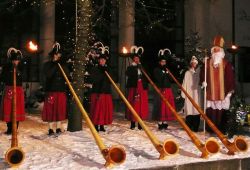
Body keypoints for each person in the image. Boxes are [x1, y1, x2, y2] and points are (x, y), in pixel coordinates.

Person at [200, 35, 235, 132]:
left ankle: (220, 129)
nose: (216, 52)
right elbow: (203, 73)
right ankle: (210, 128)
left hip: (222, 93)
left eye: (217, 50)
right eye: (214, 50)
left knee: (220, 111)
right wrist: (203, 81)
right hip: (211, 92)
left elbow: (230, 78)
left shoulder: (226, 64)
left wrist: (229, 91)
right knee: (211, 110)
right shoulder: (207, 63)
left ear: (221, 52)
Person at [42, 42, 68, 135]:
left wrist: (60, 65)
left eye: (59, 54)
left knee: (59, 110)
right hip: (51, 91)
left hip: (60, 91)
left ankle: (58, 128)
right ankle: (50, 129)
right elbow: (49, 75)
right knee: (50, 110)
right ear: (53, 54)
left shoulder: (62, 65)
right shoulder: (48, 65)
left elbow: (67, 76)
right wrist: (55, 64)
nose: (58, 55)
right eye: (57, 54)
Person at [0, 48, 25, 135]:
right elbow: (2, 78)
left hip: (18, 89)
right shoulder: (6, 67)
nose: (16, 62)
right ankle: (9, 128)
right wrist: (10, 70)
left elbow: (23, 77)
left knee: (17, 108)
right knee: (8, 108)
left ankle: (15, 128)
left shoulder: (21, 67)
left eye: (17, 60)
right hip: (9, 89)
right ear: (11, 60)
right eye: (14, 60)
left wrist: (17, 71)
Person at [89, 46, 113, 132]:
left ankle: (102, 125)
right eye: (101, 60)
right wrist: (102, 73)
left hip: (106, 92)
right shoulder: (95, 69)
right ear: (99, 61)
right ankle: (96, 125)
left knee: (103, 110)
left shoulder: (108, 69)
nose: (102, 61)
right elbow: (95, 79)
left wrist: (106, 71)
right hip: (97, 92)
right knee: (97, 109)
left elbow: (112, 79)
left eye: (104, 60)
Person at [125, 46, 149, 130]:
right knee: (134, 104)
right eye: (135, 58)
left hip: (141, 87)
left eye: (137, 58)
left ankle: (140, 123)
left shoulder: (142, 66)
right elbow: (128, 74)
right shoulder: (130, 67)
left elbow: (146, 76)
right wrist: (135, 67)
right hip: (134, 87)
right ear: (133, 59)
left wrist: (140, 67)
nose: (136, 59)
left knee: (141, 105)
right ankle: (132, 123)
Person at [152, 49, 176, 130]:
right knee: (161, 105)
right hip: (161, 89)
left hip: (168, 88)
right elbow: (158, 79)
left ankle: (165, 121)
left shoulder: (167, 70)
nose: (163, 63)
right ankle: (160, 121)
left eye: (164, 62)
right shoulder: (156, 69)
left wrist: (167, 73)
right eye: (162, 62)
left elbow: (171, 79)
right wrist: (164, 74)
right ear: (159, 62)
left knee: (167, 105)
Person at [181, 56, 201, 132]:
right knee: (189, 110)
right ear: (191, 64)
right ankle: (189, 127)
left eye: (195, 63)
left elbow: (201, 81)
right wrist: (183, 93)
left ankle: (195, 127)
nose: (194, 64)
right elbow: (184, 83)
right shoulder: (187, 73)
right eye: (192, 63)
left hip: (197, 94)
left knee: (196, 110)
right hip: (189, 94)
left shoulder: (199, 73)